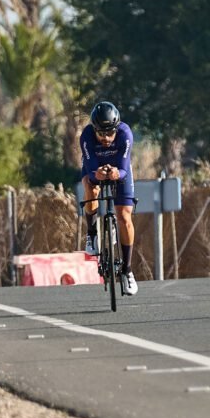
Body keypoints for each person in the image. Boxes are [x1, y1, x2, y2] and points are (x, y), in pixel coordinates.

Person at [80, 101, 137, 296]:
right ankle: (92, 234)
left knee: (124, 217)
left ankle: (128, 271)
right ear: (94, 129)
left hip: (119, 169)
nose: (106, 138)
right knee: (90, 187)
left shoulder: (125, 134)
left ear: (116, 128)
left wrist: (115, 174)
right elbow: (90, 168)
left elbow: (123, 168)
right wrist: (99, 175)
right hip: (96, 167)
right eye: (101, 134)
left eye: (110, 133)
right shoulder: (87, 136)